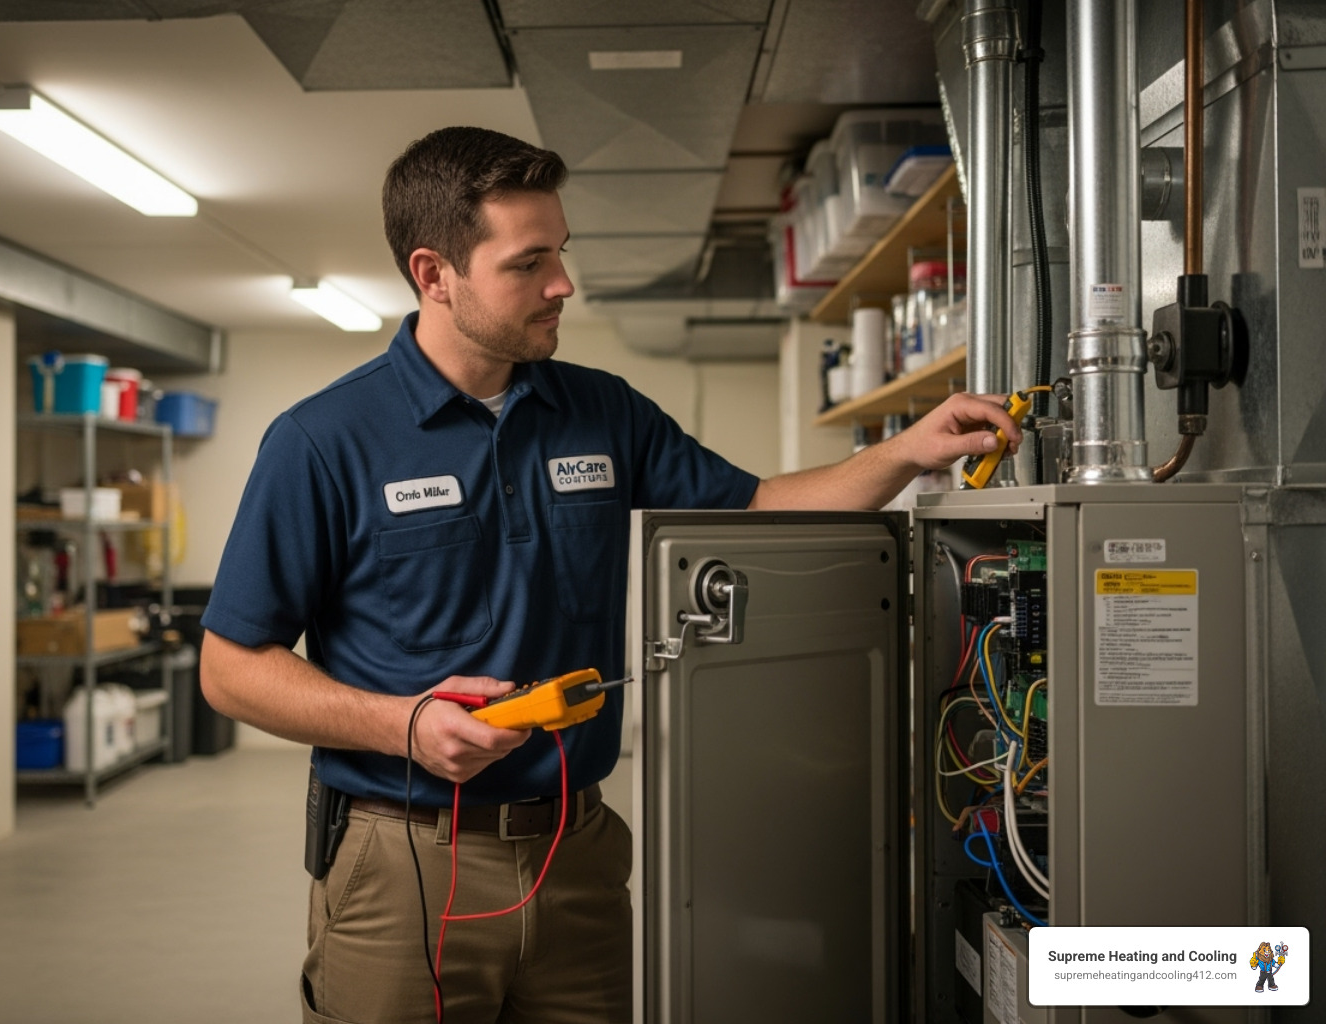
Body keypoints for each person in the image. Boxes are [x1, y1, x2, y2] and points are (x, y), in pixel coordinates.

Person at [199, 126, 1020, 1024]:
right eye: (529, 262)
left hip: (577, 851)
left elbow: (757, 509)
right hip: (406, 862)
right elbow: (230, 668)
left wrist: (908, 451)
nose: (563, 283)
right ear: (434, 274)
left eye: (562, 252)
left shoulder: (600, 410)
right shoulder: (322, 441)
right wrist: (404, 724)